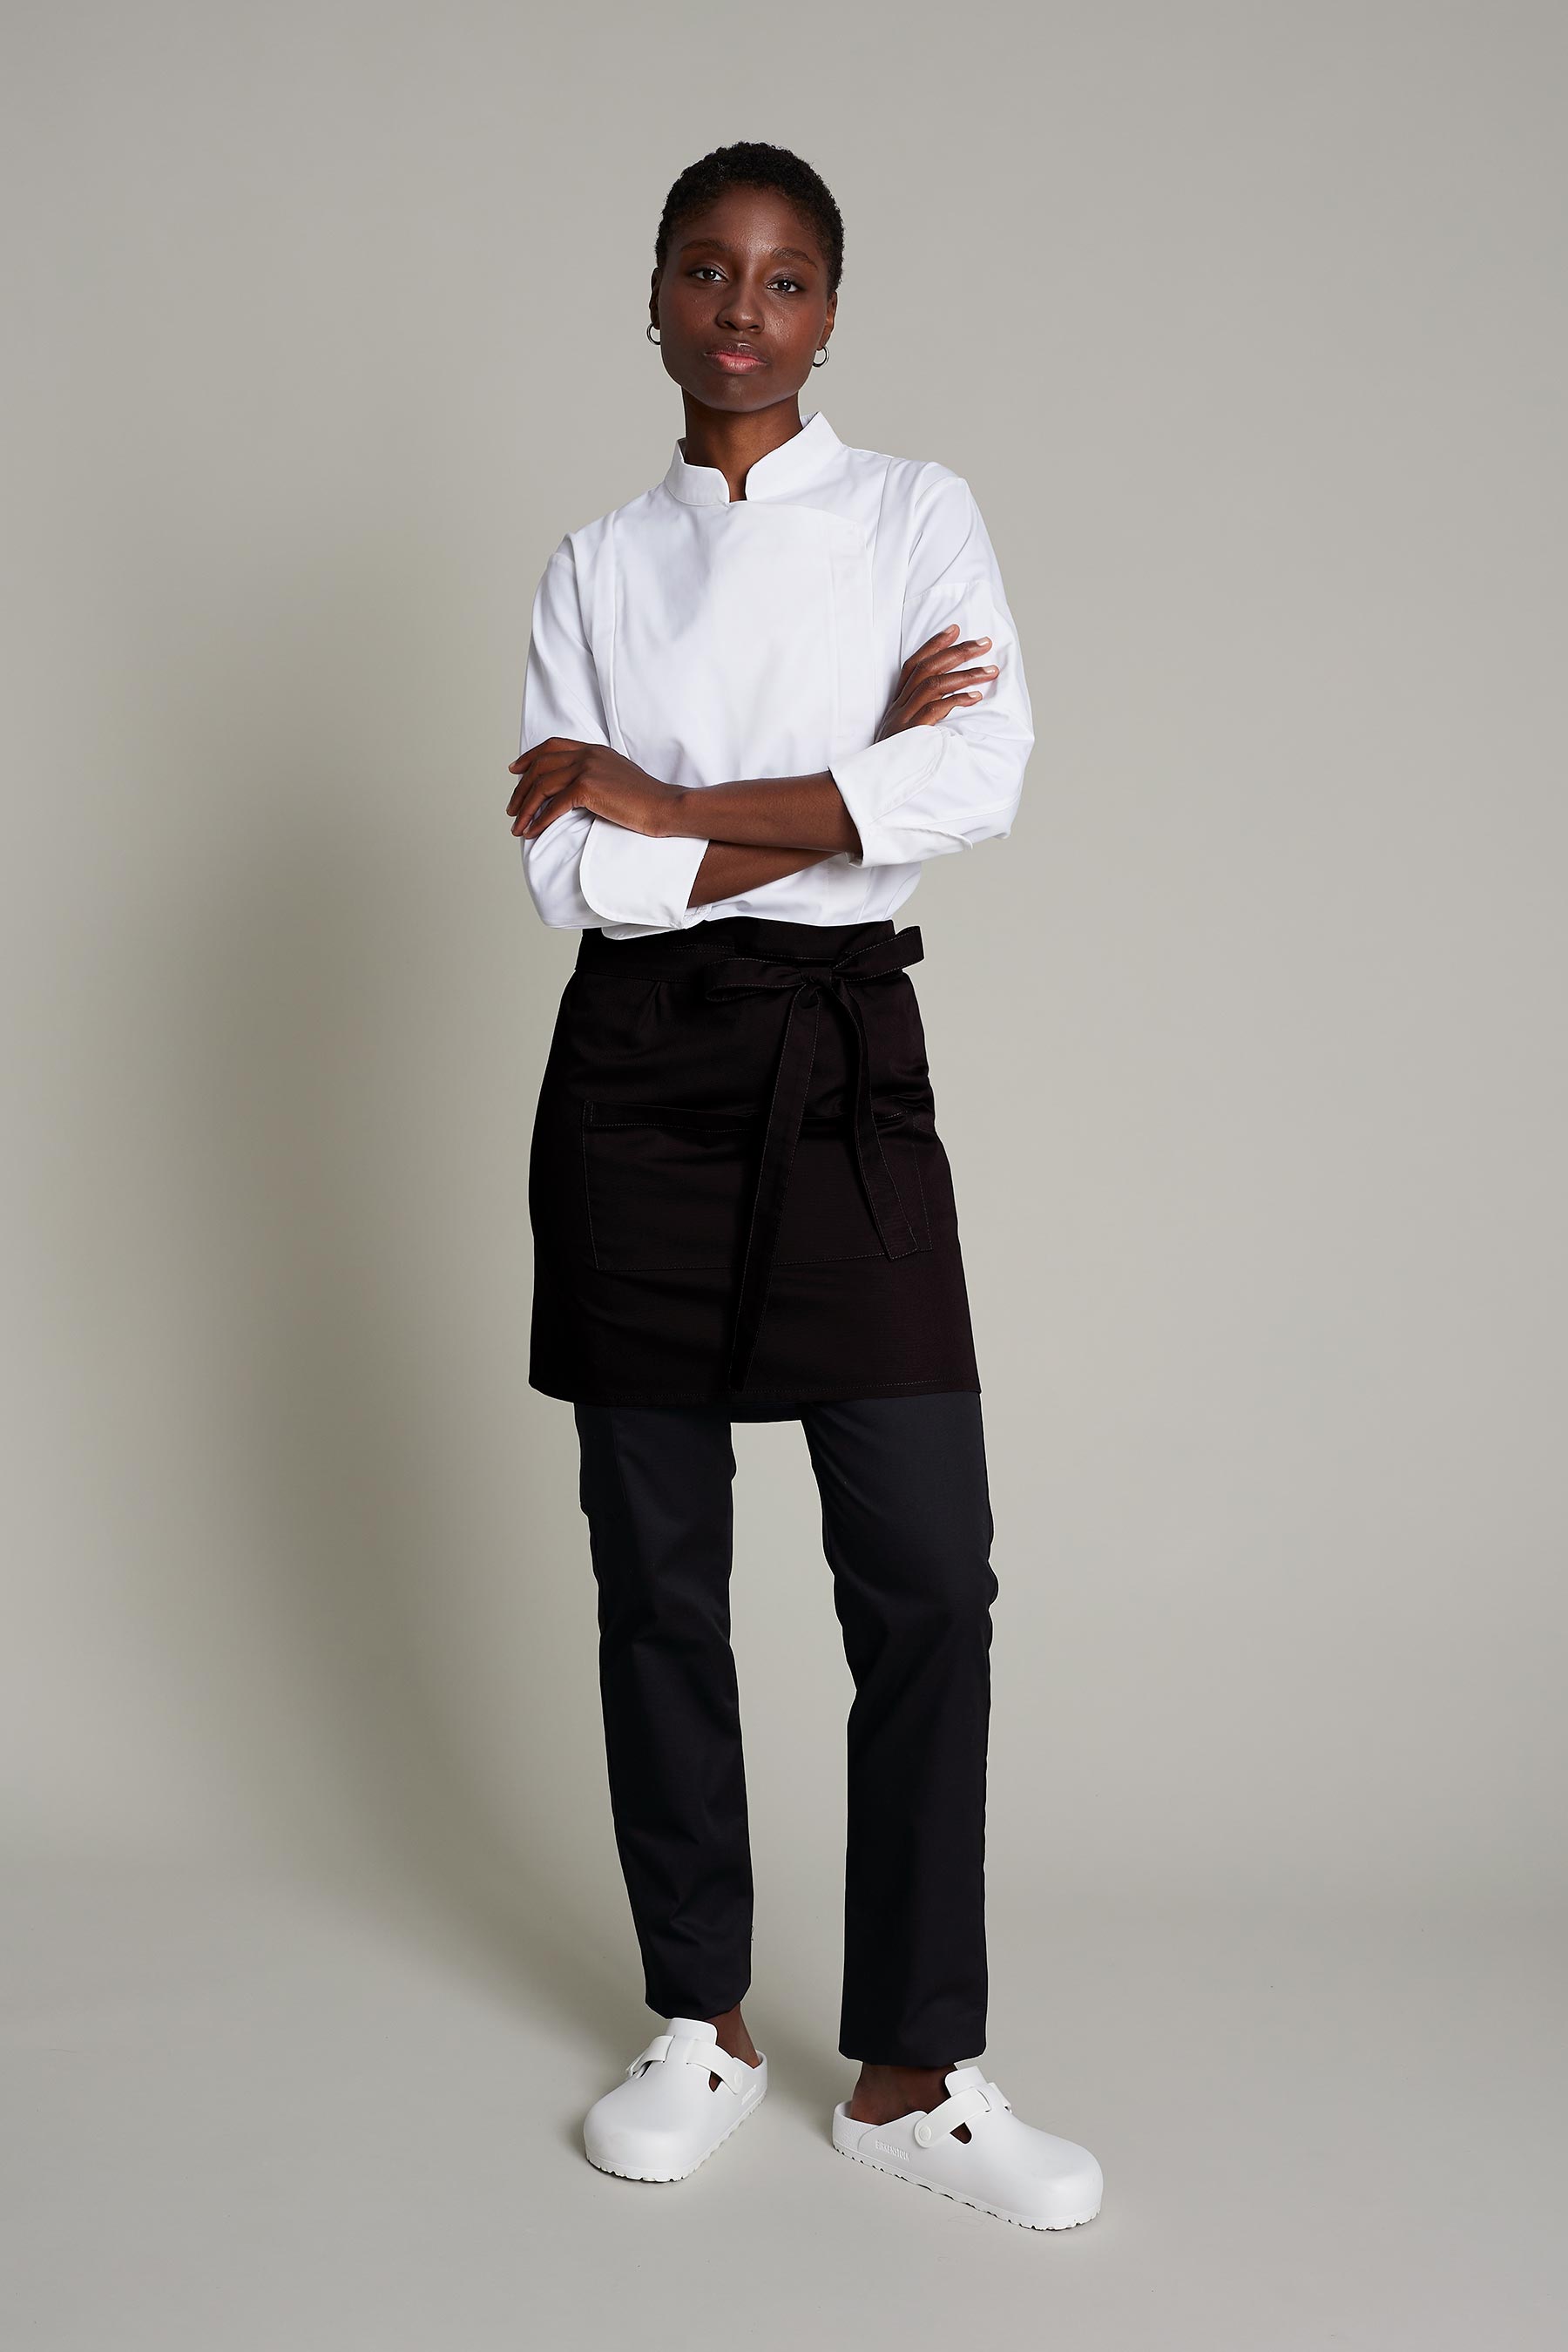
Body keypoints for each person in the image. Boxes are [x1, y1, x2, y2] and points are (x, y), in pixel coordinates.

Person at [505, 141, 1102, 2233]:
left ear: (831, 313)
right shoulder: (594, 565)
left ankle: (917, 2068)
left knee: (926, 1573)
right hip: (635, 1084)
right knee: (657, 1577)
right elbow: (577, 878)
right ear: (656, 298)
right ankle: (701, 2018)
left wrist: (668, 797)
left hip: (849, 1069)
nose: (742, 310)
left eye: (783, 280)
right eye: (706, 270)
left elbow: (977, 777)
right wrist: (839, 793)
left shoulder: (920, 515)